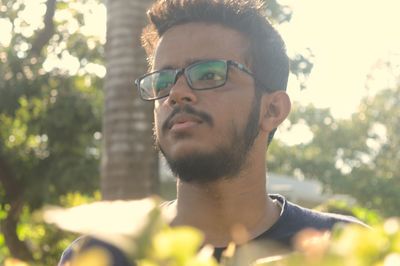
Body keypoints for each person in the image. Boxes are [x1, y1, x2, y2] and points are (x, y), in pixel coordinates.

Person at [59, 0, 364, 265]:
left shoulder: (343, 249)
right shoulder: (101, 256)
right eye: (163, 81)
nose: (176, 94)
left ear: (272, 110)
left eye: (208, 74)